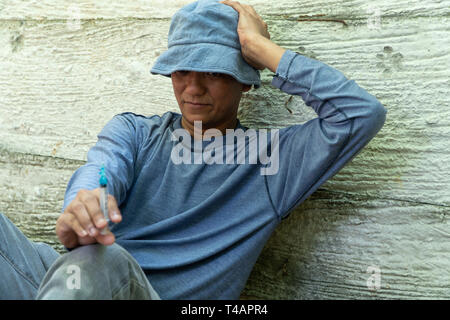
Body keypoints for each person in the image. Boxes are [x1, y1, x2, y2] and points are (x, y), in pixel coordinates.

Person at [0, 0, 386, 299]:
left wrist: (261, 48)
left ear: (246, 80)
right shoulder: (136, 131)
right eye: (183, 70)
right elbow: (102, 169)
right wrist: (88, 198)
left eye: (215, 73)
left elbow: (360, 114)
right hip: (76, 283)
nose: (194, 88)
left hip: (113, 280)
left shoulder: (272, 162)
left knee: (105, 261)